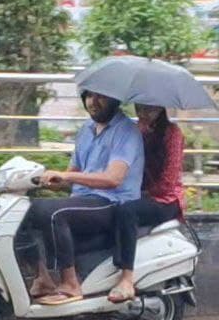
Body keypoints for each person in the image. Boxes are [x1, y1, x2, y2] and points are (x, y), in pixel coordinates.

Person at [27, 91, 144, 304]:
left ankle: (70, 284)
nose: (93, 102)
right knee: (25, 210)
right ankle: (43, 277)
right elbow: (72, 174)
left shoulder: (126, 132)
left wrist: (67, 176)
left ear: (115, 99)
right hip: (83, 199)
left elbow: (113, 179)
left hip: (111, 202)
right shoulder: (86, 131)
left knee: (52, 212)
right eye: (89, 96)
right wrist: (48, 180)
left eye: (101, 96)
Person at [108, 103, 186, 303]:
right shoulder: (137, 133)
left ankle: (127, 278)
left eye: (148, 109)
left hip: (166, 199)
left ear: (160, 109)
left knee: (127, 211)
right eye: (139, 108)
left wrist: (142, 194)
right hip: (141, 194)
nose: (143, 113)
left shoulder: (172, 133)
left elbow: (169, 179)